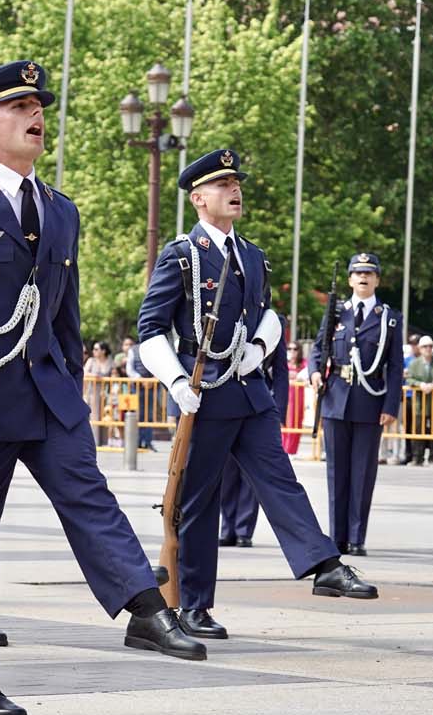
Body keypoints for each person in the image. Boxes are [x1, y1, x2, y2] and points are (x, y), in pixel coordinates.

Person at [0, 60, 206, 715]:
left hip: (47, 391)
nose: (36, 114)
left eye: (38, 104)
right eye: (20, 105)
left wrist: (68, 375)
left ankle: (145, 609)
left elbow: (66, 315)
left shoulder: (60, 210)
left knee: (89, 495)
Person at [136, 148, 377, 638]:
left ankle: (323, 564)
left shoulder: (251, 255)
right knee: (201, 503)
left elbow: (267, 314)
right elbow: (150, 328)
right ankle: (194, 607)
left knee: (280, 479)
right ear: (199, 198)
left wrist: (261, 347)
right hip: (202, 395)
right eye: (223, 184)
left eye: (236, 182)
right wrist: (177, 381)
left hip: (249, 392)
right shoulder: (182, 255)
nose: (235, 190)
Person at [308, 254, 404, 555]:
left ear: (377, 279)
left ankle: (356, 537)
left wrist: (390, 405)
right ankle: (337, 537)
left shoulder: (388, 317)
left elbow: (395, 366)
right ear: (350, 279)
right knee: (336, 472)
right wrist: (313, 370)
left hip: (369, 401)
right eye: (358, 272)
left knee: (362, 473)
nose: (363, 277)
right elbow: (319, 347)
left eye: (369, 273)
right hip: (337, 398)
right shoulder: (337, 312)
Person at [219, 320, 290, 547]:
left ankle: (244, 530)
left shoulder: (271, 320)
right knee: (227, 472)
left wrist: (278, 411)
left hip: (258, 403)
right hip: (227, 400)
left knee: (251, 475)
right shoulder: (226, 312)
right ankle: (227, 527)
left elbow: (280, 372)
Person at [404, 335, 433, 465]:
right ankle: (417, 458)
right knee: (417, 431)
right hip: (419, 403)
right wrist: (420, 384)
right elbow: (409, 378)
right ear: (420, 349)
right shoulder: (414, 363)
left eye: (430, 346)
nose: (428, 349)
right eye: (425, 346)